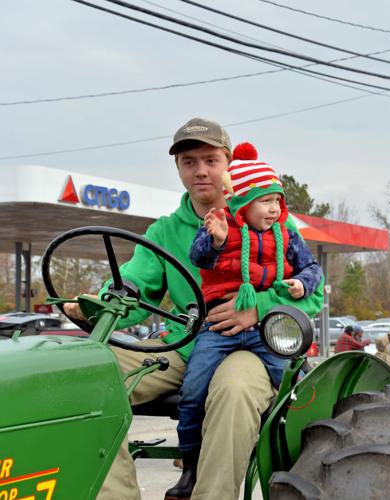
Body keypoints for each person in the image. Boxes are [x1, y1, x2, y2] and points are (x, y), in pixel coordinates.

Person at [63, 118, 324, 500]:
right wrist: (99, 304)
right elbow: (134, 284)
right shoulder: (166, 231)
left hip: (250, 344)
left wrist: (258, 309)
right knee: (84, 378)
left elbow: (311, 291)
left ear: (229, 165)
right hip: (186, 346)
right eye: (189, 162)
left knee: (234, 392)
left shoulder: (273, 222)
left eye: (210, 160)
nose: (200, 171)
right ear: (179, 169)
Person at [177, 142, 323, 483]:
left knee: (291, 385)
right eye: (265, 201)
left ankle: (296, 446)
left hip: (265, 332)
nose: (274, 209)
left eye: (277, 201)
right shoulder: (221, 227)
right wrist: (214, 240)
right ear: (242, 203)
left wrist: (301, 283)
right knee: (193, 388)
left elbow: (313, 270)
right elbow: (199, 259)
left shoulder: (286, 234)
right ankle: (189, 460)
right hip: (219, 330)